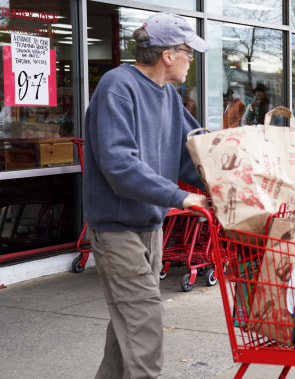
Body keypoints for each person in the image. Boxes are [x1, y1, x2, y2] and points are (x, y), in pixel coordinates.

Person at [82, 13, 208, 378]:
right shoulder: (117, 86)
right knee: (144, 323)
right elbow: (119, 165)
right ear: (168, 54)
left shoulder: (168, 95)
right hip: (116, 226)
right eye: (188, 52)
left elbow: (194, 154)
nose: (191, 60)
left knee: (129, 324)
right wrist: (181, 198)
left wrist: (233, 184)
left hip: (149, 224)